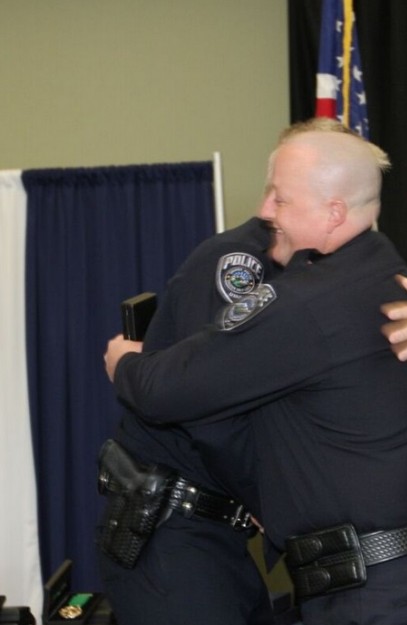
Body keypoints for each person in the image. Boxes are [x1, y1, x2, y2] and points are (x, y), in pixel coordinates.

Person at [104, 127, 407, 625]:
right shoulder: (402, 285)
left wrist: (124, 362)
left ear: (333, 213)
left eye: (281, 199)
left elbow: (167, 390)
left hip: (378, 594)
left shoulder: (309, 304)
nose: (267, 212)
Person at [97, 216, 277, 625]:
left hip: (217, 533)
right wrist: (272, 501)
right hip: (171, 530)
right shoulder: (239, 261)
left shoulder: (298, 267)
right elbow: (208, 409)